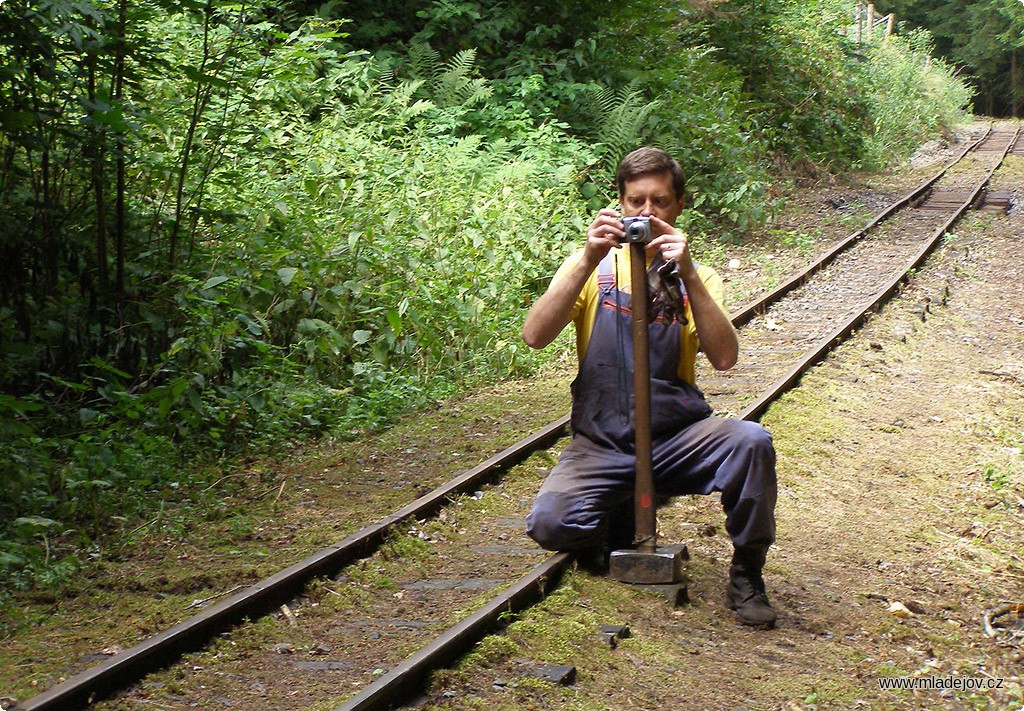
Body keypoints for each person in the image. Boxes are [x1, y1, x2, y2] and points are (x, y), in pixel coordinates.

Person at [521, 147, 778, 629]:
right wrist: (586, 256)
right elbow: (534, 336)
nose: (645, 213)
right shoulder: (593, 271)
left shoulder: (698, 278)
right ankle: (619, 515)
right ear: (617, 204)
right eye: (635, 201)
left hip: (676, 439)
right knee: (550, 524)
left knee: (751, 443)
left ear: (679, 206)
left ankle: (747, 573)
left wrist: (689, 276)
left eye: (659, 202)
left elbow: (724, 358)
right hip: (603, 441)